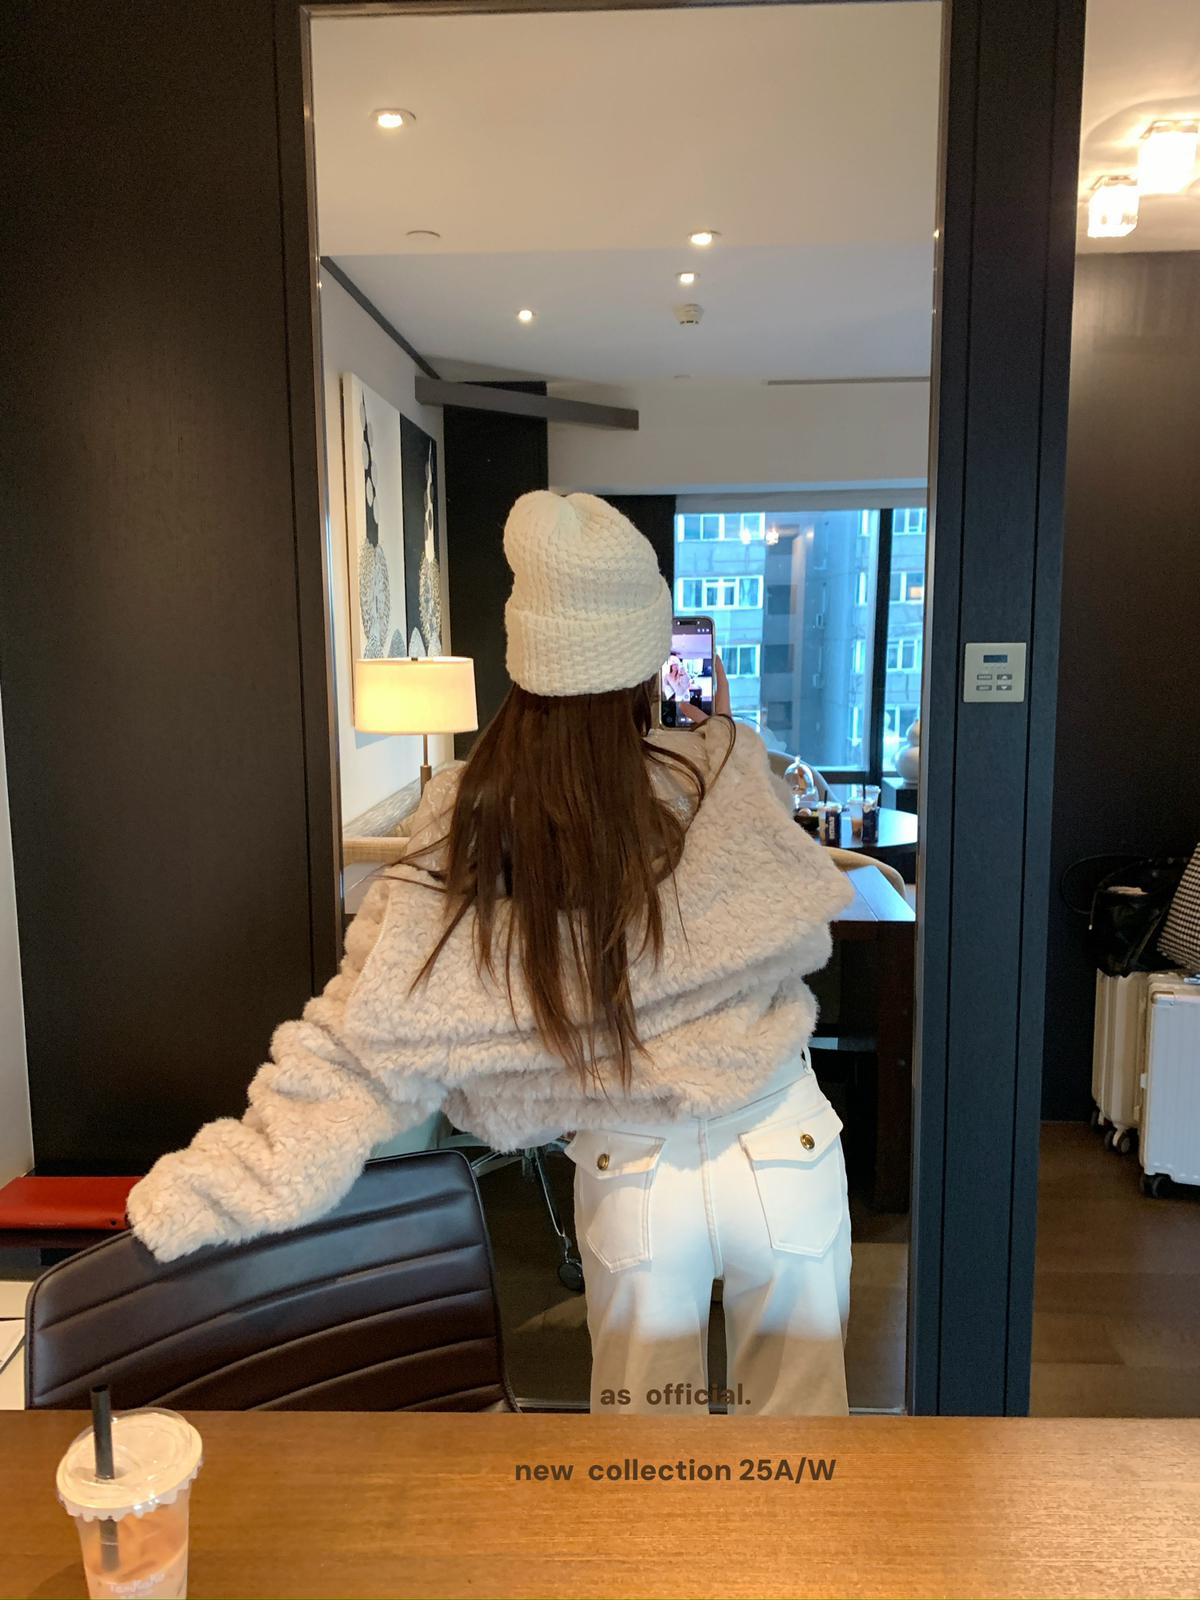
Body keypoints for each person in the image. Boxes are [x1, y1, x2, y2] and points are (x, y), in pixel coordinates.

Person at [127, 490, 855, 1416]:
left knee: (643, 1458)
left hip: (636, 1174)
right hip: (784, 1146)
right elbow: (784, 881)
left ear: (526, 658)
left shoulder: (471, 819)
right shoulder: (725, 767)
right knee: (806, 1453)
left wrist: (210, 1192)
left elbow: (362, 1037)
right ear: (647, 657)